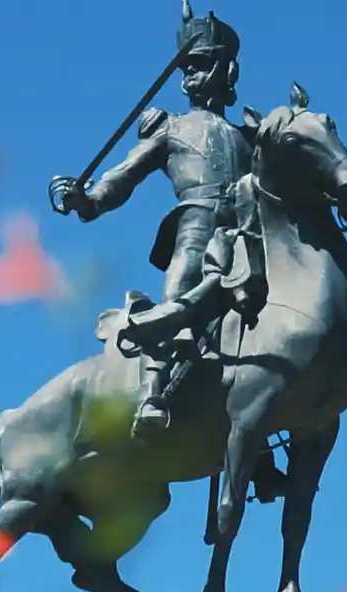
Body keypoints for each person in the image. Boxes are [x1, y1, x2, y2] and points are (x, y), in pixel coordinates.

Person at [59, 0, 253, 438]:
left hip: (245, 233)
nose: (191, 77)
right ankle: (153, 394)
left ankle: (259, 439)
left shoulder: (248, 137)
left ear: (228, 72)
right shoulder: (170, 128)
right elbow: (124, 175)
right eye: (186, 69)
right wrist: (89, 200)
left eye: (201, 66)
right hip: (197, 221)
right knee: (178, 289)